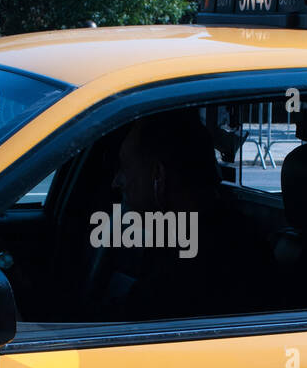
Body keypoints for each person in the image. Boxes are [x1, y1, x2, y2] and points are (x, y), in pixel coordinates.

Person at [93, 109, 275, 321]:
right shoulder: (229, 234)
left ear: (158, 177)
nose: (116, 181)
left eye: (125, 169)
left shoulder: (185, 271)